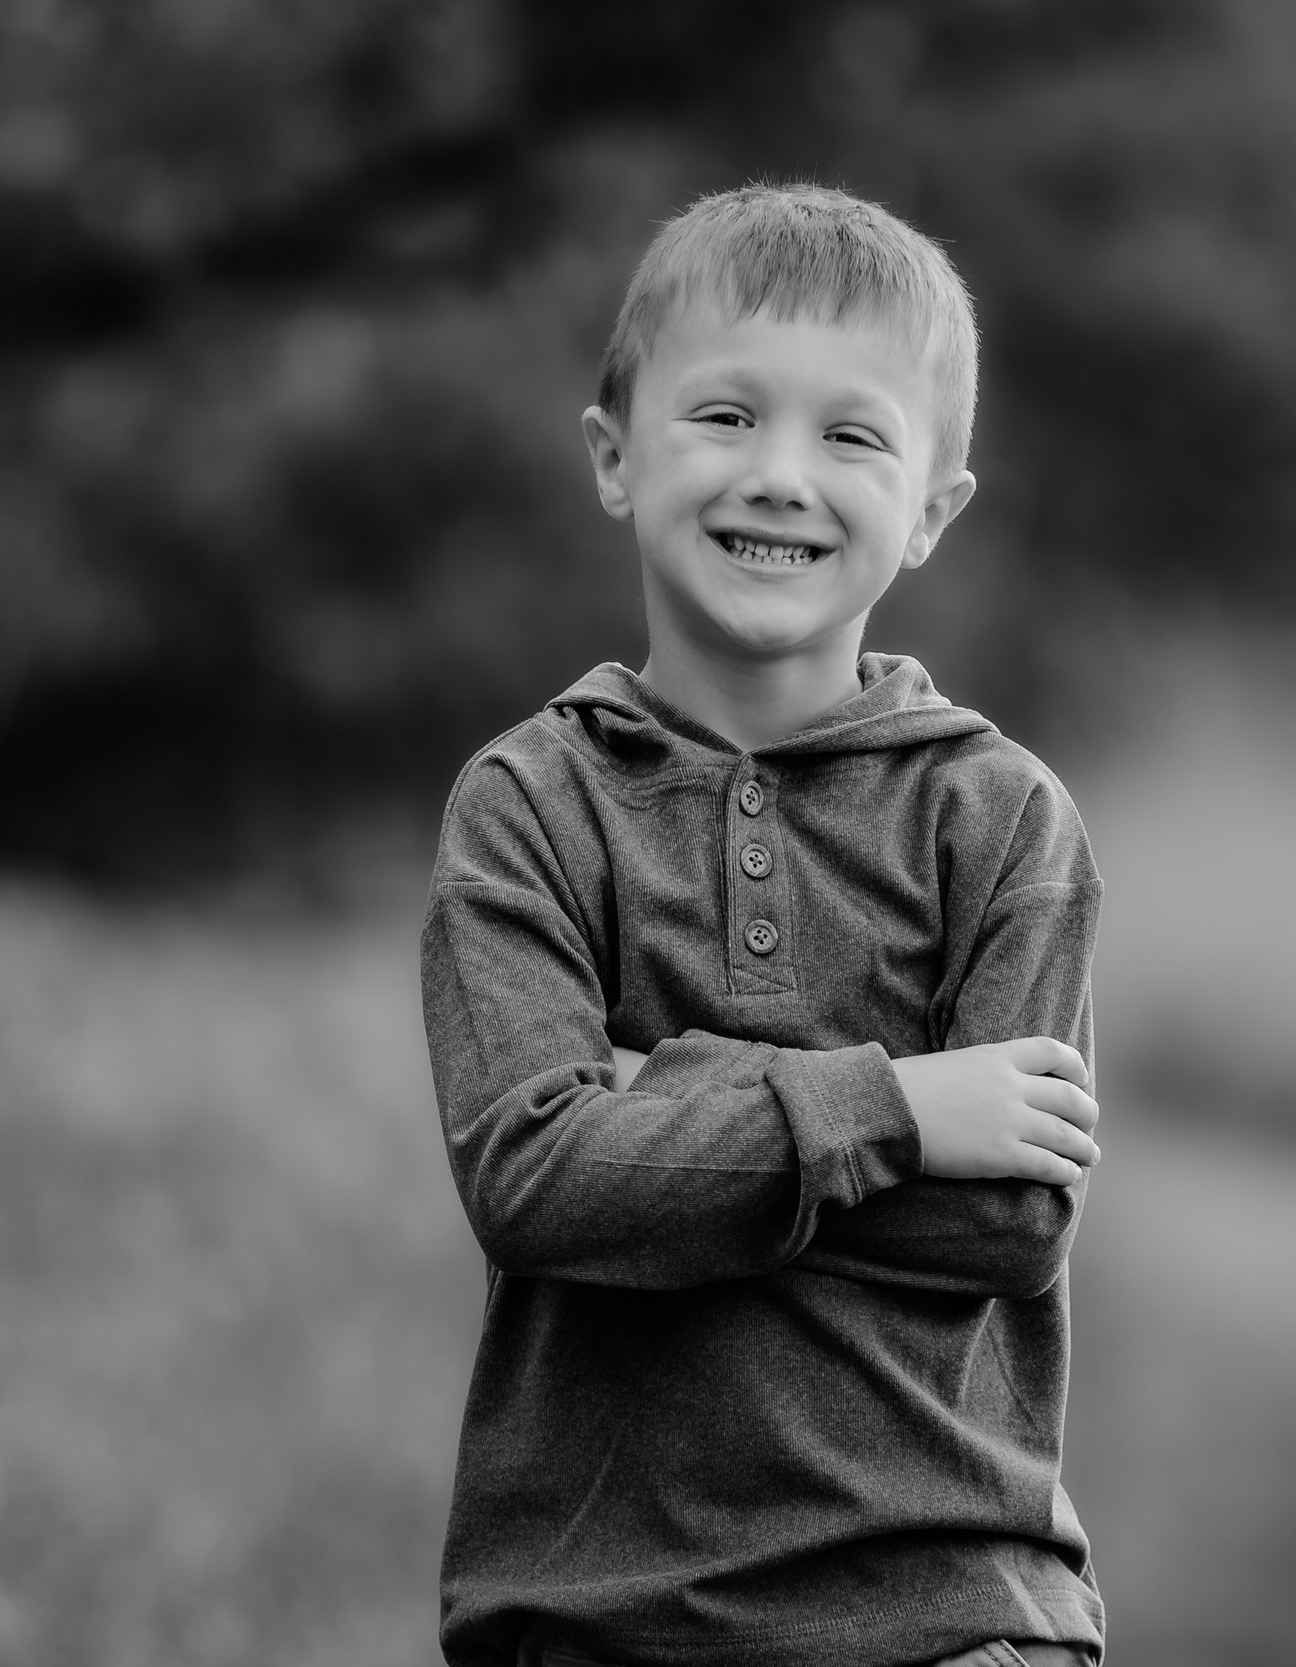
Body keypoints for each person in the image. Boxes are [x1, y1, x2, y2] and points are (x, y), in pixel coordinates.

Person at [420, 182, 1106, 1667]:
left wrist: (651, 1109)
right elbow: (534, 1178)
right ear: (615, 459)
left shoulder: (1001, 818)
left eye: (851, 435)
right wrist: (901, 1102)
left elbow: (1005, 1217)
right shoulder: (530, 803)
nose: (781, 476)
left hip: (952, 1618)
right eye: (725, 416)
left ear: (931, 510)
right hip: (593, 1618)